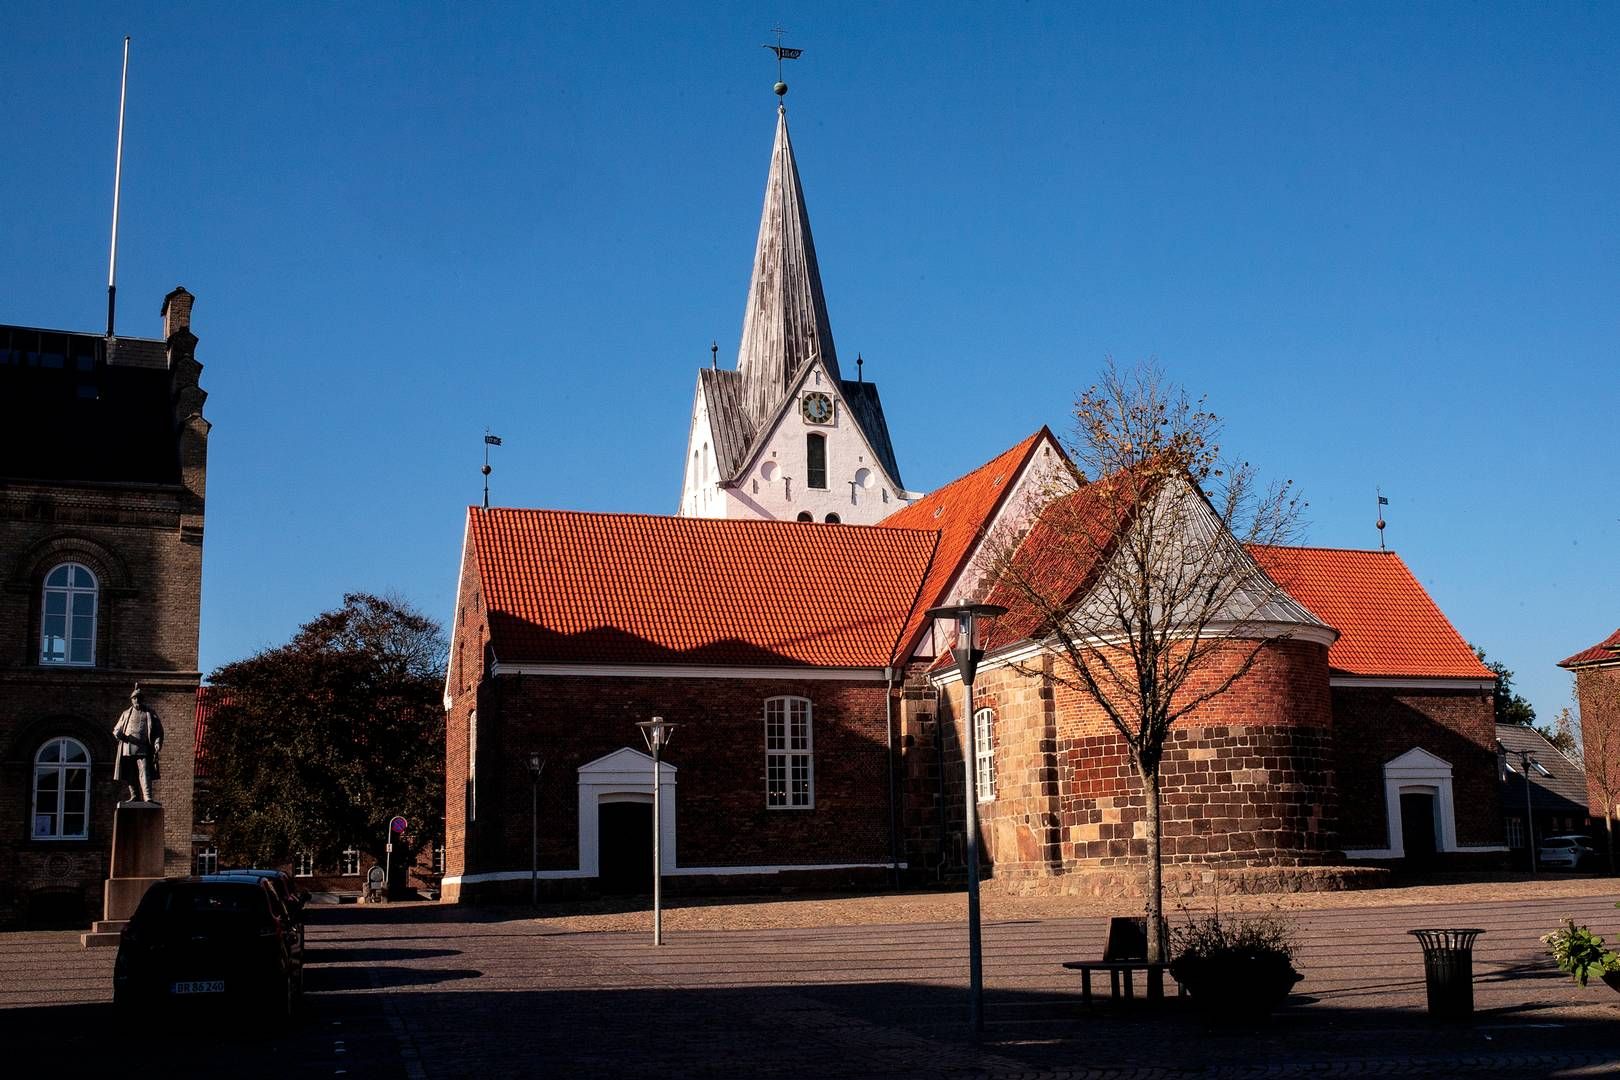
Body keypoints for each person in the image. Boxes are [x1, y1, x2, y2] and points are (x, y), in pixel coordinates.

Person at [113, 684, 164, 803]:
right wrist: (118, 734)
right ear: (131, 700)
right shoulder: (126, 713)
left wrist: (157, 742)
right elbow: (117, 729)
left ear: (142, 699)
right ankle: (134, 795)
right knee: (130, 773)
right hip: (127, 746)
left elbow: (158, 730)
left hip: (143, 746)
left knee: (145, 771)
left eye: (139, 698)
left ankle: (147, 796)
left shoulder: (150, 713)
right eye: (135, 698)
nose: (137, 700)